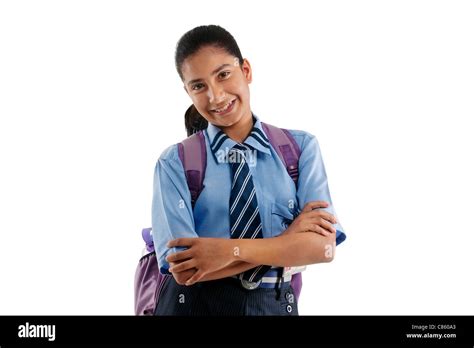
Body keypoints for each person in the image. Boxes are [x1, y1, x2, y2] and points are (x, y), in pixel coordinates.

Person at [152, 25, 346, 316]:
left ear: (246, 70)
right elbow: (185, 270)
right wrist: (287, 243)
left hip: (275, 303)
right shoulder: (175, 162)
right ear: (187, 91)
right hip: (196, 306)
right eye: (198, 86)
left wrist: (226, 251)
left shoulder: (299, 148)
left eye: (223, 74)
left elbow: (322, 248)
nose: (216, 97)